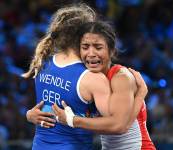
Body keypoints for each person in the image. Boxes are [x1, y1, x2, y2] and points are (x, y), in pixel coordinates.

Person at [51, 21, 156, 150]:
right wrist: (31, 115)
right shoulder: (85, 81)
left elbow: (119, 126)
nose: (91, 53)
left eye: (98, 47)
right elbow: (58, 112)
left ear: (111, 50)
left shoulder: (121, 77)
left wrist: (74, 120)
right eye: (85, 47)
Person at [23, 4, 113, 150]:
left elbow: (44, 107)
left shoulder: (42, 63)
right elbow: (115, 125)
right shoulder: (91, 78)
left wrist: (28, 115)